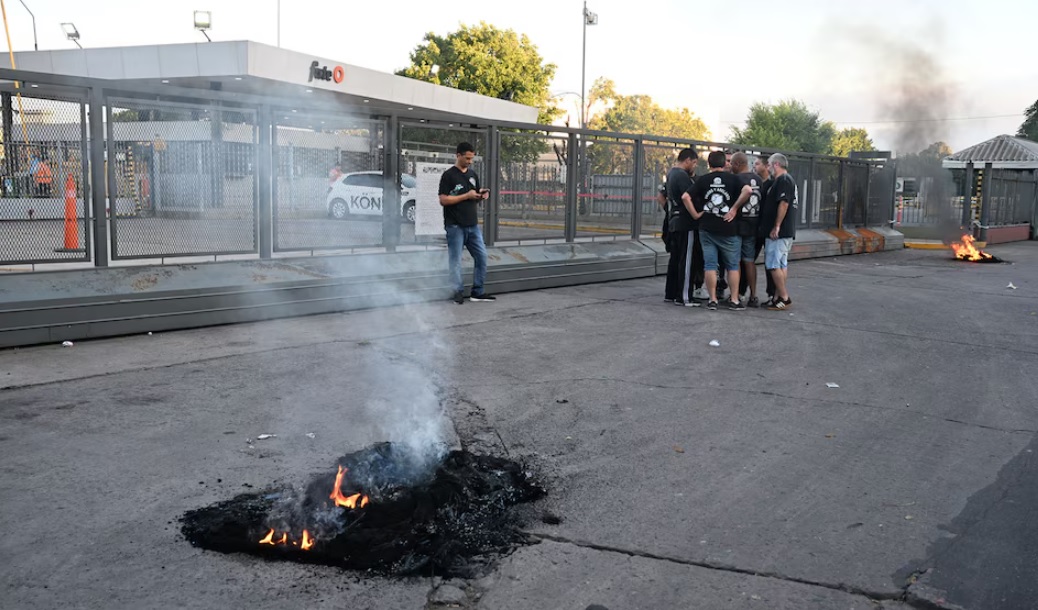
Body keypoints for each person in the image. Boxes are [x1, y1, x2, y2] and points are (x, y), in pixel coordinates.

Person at [691, 150, 752, 311]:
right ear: (725, 163)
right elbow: (748, 191)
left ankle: (712, 300)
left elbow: (685, 197)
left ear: (709, 164)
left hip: (707, 228)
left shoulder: (703, 180)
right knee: (732, 266)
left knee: (710, 265)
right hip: (729, 229)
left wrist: (696, 215)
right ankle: (734, 300)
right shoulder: (733, 179)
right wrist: (733, 209)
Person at [439, 142, 495, 304]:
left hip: (473, 225)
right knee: (455, 260)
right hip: (455, 225)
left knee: (482, 256)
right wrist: (466, 196)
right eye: (467, 158)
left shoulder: (472, 174)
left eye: (472, 158)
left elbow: (473, 196)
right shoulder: (449, 175)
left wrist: (480, 195)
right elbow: (443, 200)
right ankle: (457, 291)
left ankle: (478, 291)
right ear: (458, 155)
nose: (470, 161)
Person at [760, 153, 797, 310]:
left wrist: (776, 226)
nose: (767, 167)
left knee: (773, 265)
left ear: (776, 164)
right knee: (781, 264)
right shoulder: (786, 180)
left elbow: (783, 203)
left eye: (769, 164)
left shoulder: (783, 180)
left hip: (779, 232)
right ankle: (777, 297)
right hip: (785, 231)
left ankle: (784, 296)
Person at [664, 148, 700, 306]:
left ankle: (670, 293)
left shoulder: (671, 174)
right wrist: (696, 214)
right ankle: (685, 296)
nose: (694, 166)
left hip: (674, 221)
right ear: (687, 160)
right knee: (686, 260)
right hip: (686, 223)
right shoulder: (682, 176)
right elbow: (688, 197)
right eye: (694, 163)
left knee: (675, 258)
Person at [730, 153, 764, 307]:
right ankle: (754, 295)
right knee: (749, 261)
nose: (730, 166)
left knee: (735, 261)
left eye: (731, 163)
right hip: (753, 225)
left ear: (737, 164)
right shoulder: (758, 179)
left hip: (738, 226)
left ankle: (735, 295)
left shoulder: (736, 180)